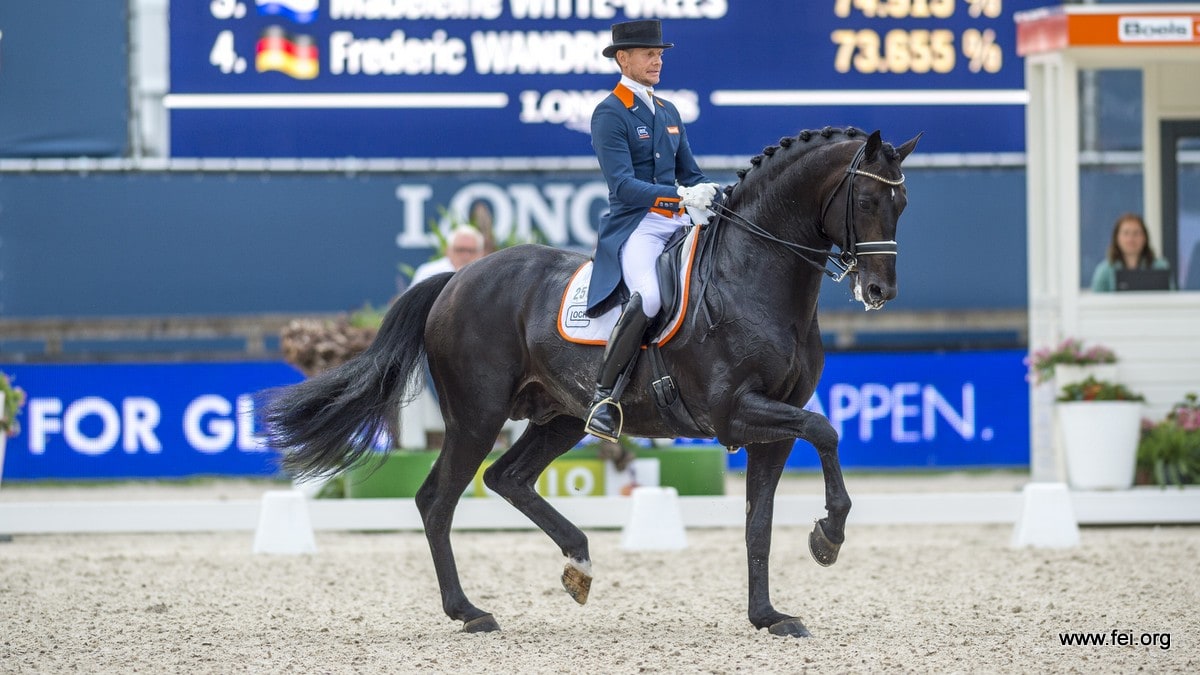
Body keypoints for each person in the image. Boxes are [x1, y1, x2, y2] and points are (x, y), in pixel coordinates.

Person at [583, 19, 720, 442]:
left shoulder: (667, 110)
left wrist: (707, 192)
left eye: (659, 53)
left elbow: (690, 173)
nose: (657, 59)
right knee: (652, 296)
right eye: (648, 53)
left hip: (679, 221)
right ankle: (603, 398)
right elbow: (623, 184)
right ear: (623, 59)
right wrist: (678, 197)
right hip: (638, 225)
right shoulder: (610, 112)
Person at [1090, 213, 1171, 292]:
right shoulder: (1104, 271)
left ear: (1145, 238)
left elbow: (1172, 299)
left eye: (1136, 233)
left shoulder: (1160, 267)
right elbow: (1096, 303)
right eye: (1126, 233)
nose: (1131, 239)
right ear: (1116, 238)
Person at [411, 224, 485, 286]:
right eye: (460, 250)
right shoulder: (428, 273)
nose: (465, 256)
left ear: (481, 253)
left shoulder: (486, 276)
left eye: (471, 251)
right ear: (448, 251)